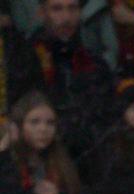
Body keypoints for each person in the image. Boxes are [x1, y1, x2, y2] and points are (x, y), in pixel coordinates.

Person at [26, 0, 115, 167]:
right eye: (57, 9)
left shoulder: (95, 62)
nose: (66, 17)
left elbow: (109, 114)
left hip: (93, 158)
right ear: (42, 13)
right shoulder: (26, 59)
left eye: (72, 8)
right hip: (45, 159)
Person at [6, 90, 82, 194]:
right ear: (19, 126)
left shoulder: (61, 162)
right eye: (34, 122)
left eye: (50, 123)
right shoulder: (9, 160)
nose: (43, 129)